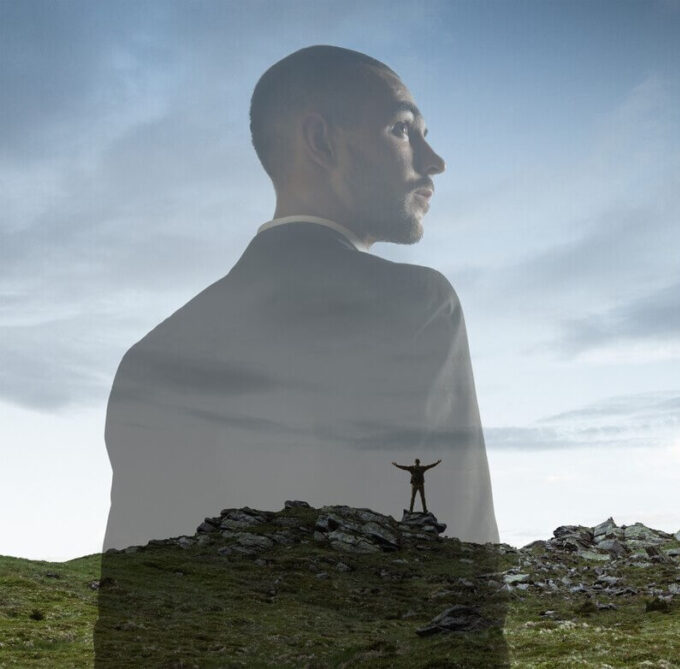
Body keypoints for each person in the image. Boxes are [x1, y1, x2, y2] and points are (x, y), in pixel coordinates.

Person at [97, 45, 508, 666]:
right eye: (402, 129)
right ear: (321, 139)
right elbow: (453, 563)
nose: (434, 161)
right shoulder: (414, 303)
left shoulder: (149, 354)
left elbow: (130, 609)